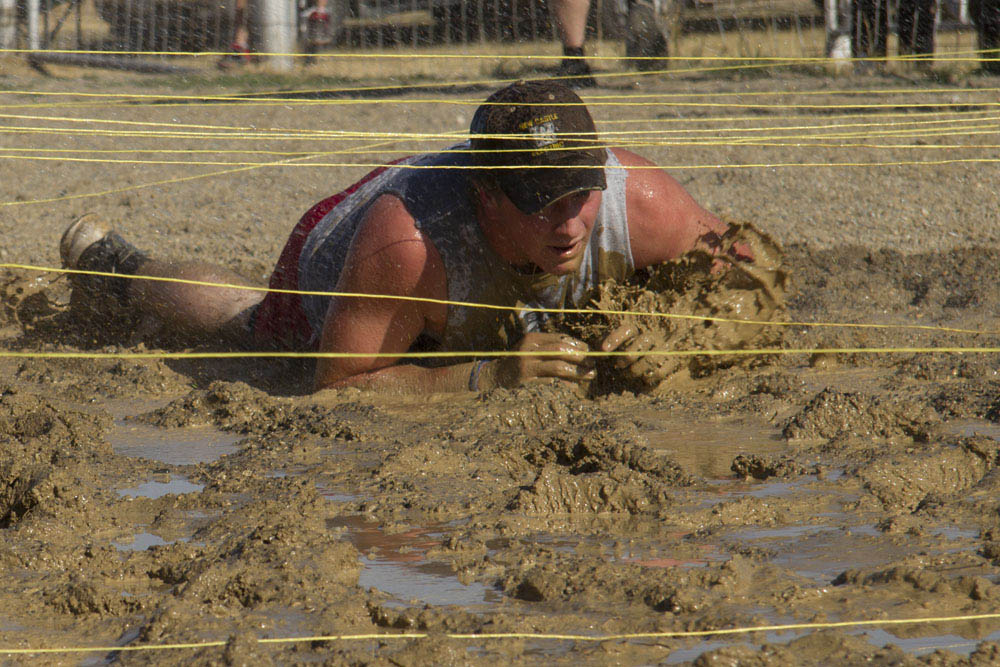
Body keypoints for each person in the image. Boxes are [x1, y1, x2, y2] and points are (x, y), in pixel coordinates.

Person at [59, 80, 748, 395]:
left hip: (451, 261)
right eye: (538, 202)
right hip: (350, 251)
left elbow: (750, 270)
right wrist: (488, 375)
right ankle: (116, 269)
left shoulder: (640, 199)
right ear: (487, 198)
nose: (568, 224)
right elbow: (339, 387)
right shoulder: (407, 247)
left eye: (579, 195)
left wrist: (672, 332)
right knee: (250, 330)